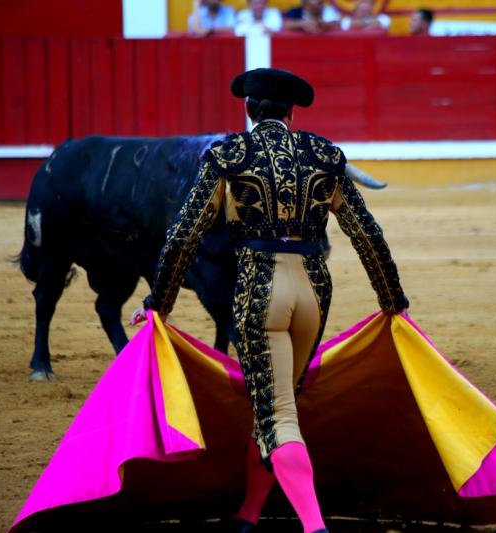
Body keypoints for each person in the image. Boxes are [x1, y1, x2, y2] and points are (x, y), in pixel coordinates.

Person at [130, 68, 408, 533]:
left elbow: (184, 235)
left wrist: (159, 302)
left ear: (247, 110)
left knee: (277, 412)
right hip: (314, 292)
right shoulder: (324, 153)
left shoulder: (229, 154)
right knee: (277, 402)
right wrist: (392, 299)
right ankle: (249, 514)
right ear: (292, 113)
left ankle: (314, 526)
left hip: (261, 291)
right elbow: (365, 233)